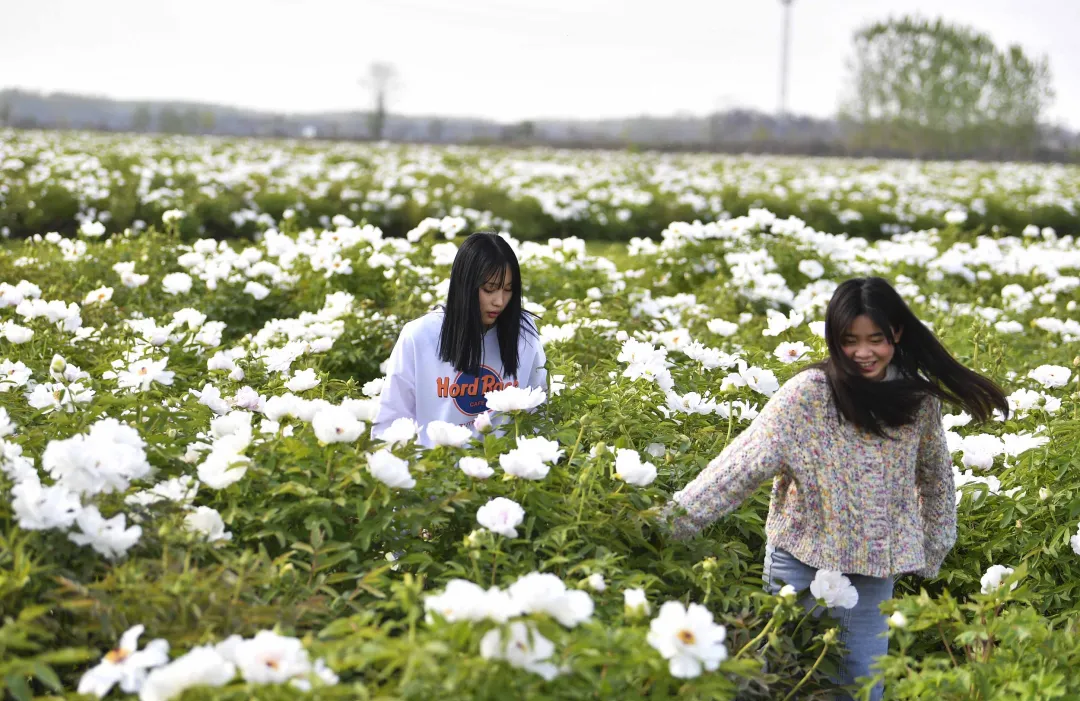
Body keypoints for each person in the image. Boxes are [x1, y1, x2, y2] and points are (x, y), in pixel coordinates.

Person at [662, 276, 1008, 701]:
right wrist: (667, 525)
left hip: (872, 576)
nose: (864, 352)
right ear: (834, 339)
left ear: (896, 335)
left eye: (875, 339)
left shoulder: (917, 401)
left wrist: (934, 545)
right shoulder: (807, 395)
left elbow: (935, 479)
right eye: (849, 340)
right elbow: (736, 469)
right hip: (801, 566)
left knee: (862, 689)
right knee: (787, 686)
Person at [372, 231, 547, 448]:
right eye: (489, 289)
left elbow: (538, 413)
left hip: (502, 471)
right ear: (465, 286)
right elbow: (392, 419)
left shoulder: (523, 334)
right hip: (434, 470)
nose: (499, 301)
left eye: (508, 290)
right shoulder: (420, 336)